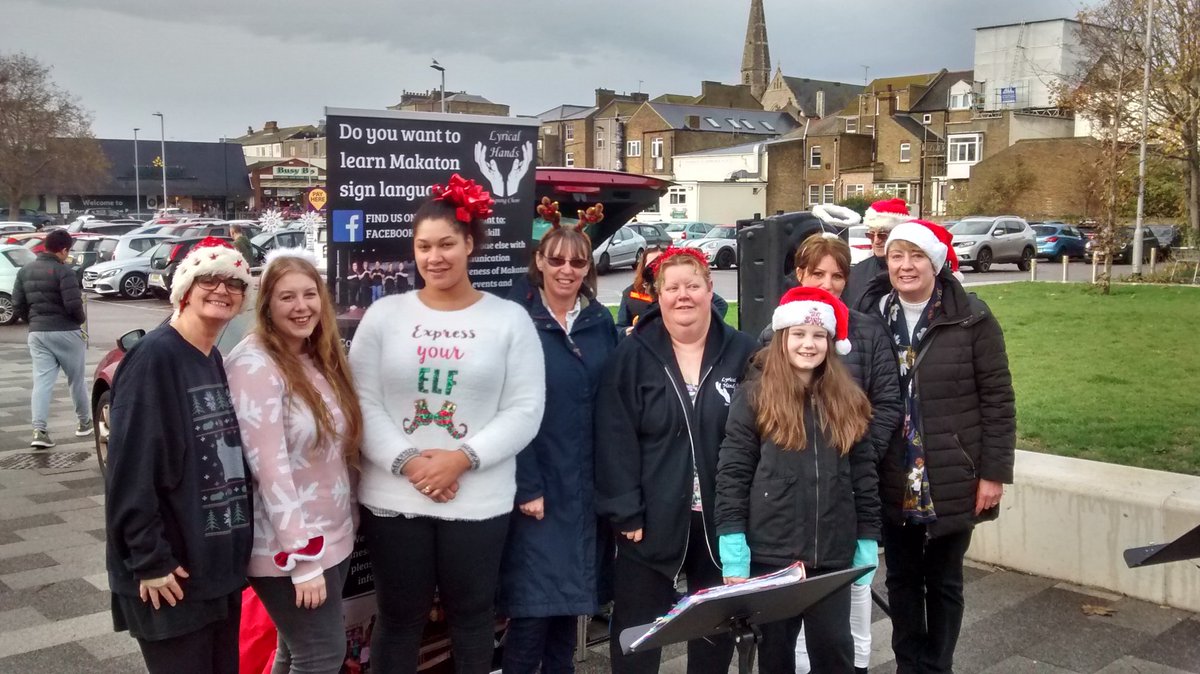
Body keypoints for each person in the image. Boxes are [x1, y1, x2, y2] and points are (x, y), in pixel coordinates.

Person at [349, 174, 546, 673]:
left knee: (473, 617)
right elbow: (361, 402)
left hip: (478, 499)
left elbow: (524, 409)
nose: (434, 257)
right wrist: (410, 462)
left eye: (446, 244)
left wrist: (461, 459)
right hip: (394, 496)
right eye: (424, 246)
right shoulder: (383, 315)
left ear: (469, 245)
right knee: (398, 618)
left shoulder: (509, 320)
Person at [854, 220, 1016, 674]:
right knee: (902, 578)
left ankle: (937, 666)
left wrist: (993, 473)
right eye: (896, 256)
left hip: (951, 471)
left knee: (944, 581)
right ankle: (910, 665)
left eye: (916, 256)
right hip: (891, 470)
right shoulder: (868, 318)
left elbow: (998, 399)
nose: (906, 266)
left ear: (936, 263)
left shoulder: (972, 318)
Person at [595, 246, 757, 674]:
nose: (683, 295)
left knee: (715, 630)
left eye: (692, 285)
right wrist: (625, 510)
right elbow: (613, 437)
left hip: (723, 519)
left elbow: (762, 434)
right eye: (672, 288)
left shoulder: (742, 351)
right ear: (658, 295)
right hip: (650, 517)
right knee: (638, 631)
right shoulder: (633, 354)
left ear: (710, 289)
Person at [105, 237, 255, 674]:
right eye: (209, 279)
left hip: (215, 572)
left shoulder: (210, 358)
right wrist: (150, 559)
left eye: (233, 282)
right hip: (170, 576)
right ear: (184, 290)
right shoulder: (155, 358)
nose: (222, 289)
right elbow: (130, 472)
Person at [716, 286, 880, 674]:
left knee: (834, 648)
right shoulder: (754, 397)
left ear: (831, 342)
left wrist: (867, 537)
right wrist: (733, 541)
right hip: (773, 556)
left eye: (819, 335)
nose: (809, 344)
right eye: (799, 334)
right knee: (776, 654)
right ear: (782, 338)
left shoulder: (849, 399)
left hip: (832, 555)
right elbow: (733, 473)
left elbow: (863, 474)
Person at [757, 235, 901, 674]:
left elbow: (886, 402)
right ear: (799, 275)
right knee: (785, 630)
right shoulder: (777, 333)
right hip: (790, 504)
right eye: (817, 273)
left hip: (845, 493)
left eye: (837, 275)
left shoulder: (868, 331)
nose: (827, 283)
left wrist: (854, 455)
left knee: (844, 622)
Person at [225, 248, 364, 674]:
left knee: (293, 651)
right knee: (321, 655)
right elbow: (269, 469)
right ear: (266, 304)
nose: (301, 306)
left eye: (309, 294)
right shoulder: (253, 365)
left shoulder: (315, 356)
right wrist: (301, 559)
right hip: (288, 549)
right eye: (287, 297)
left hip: (332, 535)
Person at [499, 203, 618, 673]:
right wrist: (527, 485)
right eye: (556, 260)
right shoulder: (517, 321)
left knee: (568, 611)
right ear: (540, 262)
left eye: (577, 261)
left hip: (584, 491)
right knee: (531, 615)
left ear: (588, 268)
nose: (566, 270)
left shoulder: (599, 323)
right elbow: (505, 407)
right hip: (538, 491)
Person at [11, 228, 91, 448]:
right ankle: (84, 423)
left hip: (37, 333)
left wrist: (33, 320)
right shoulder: (64, 272)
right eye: (68, 251)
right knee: (76, 379)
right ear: (63, 250)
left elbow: (17, 304)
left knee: (42, 382)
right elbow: (73, 305)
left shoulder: (24, 271)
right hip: (66, 331)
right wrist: (79, 321)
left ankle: (39, 431)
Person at [615, 247, 728, 337]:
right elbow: (619, 327)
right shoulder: (630, 293)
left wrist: (704, 323)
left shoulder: (693, 293)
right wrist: (626, 331)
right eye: (652, 265)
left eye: (661, 263)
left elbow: (720, 304)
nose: (682, 295)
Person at [842, 197, 910, 309]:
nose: (876, 241)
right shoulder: (856, 273)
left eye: (882, 235)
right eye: (871, 235)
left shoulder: (914, 271)